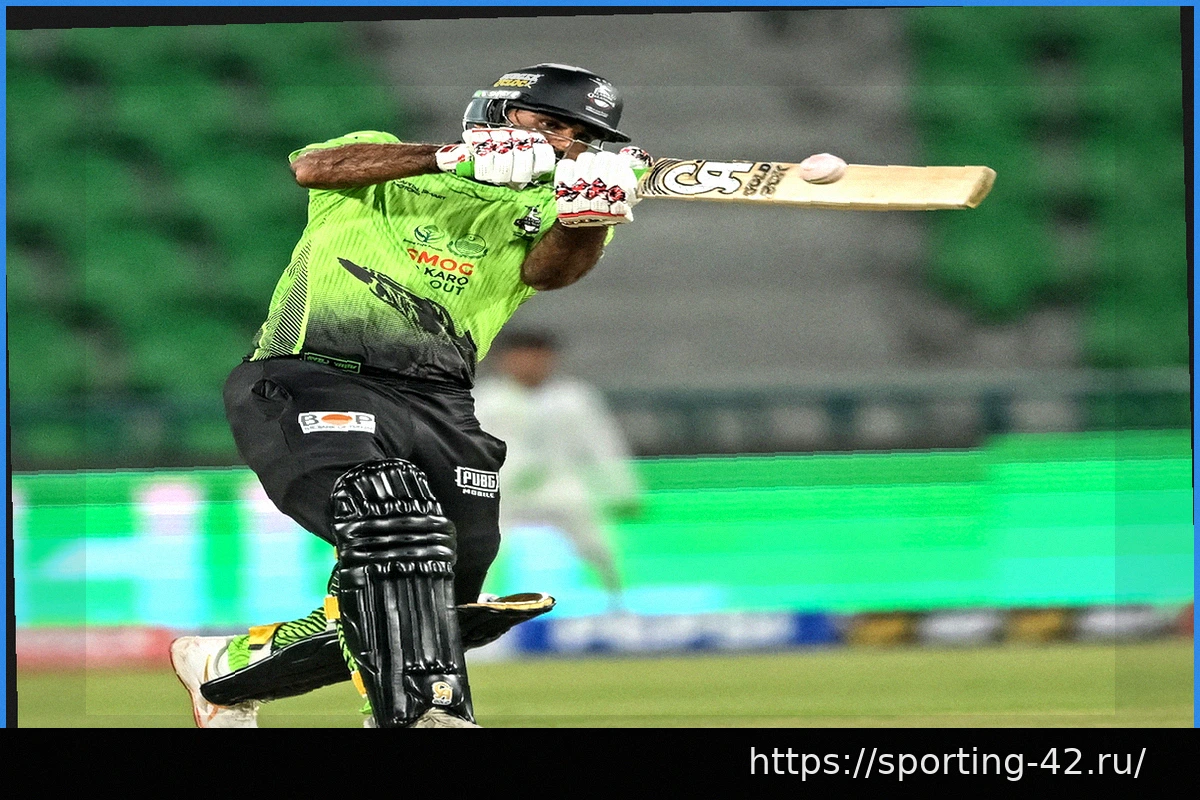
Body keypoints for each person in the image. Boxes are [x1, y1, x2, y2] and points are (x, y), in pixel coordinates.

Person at [168, 63, 651, 728]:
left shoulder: (549, 205)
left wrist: (588, 216)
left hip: (441, 402)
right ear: (496, 111)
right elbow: (314, 167)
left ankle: (227, 667)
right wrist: (452, 158)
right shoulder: (386, 159)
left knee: (435, 593)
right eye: (547, 121)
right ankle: (422, 712)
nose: (563, 139)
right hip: (313, 374)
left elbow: (550, 274)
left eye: (579, 134)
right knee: (390, 518)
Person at [473, 329, 642, 611]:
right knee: (483, 551)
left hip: (562, 484)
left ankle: (619, 605)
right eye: (521, 356)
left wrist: (623, 491)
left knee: (599, 546)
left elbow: (601, 445)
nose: (530, 364)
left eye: (538, 356)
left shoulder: (574, 398)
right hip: (505, 489)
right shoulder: (486, 399)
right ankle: (473, 611)